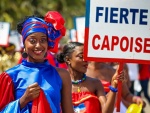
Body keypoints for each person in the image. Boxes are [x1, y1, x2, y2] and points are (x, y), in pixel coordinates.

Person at [0, 11, 74, 113]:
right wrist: (23, 100)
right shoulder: (10, 76)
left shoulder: (62, 75)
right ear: (24, 44)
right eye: (32, 41)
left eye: (43, 40)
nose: (38, 46)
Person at [57, 42, 125, 113]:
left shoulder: (95, 83)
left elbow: (106, 111)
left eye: (86, 56)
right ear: (68, 59)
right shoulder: (59, 83)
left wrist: (114, 85)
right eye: (81, 56)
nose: (85, 60)